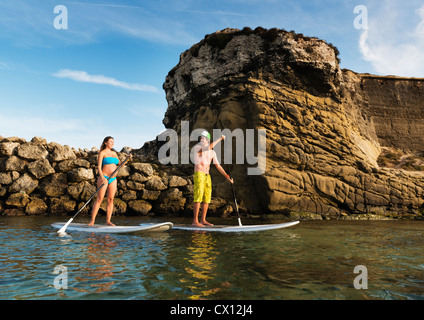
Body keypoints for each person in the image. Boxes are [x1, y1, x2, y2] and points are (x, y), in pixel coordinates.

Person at [192, 130, 234, 227]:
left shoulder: (212, 153)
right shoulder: (197, 148)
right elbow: (209, 147)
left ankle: (203, 220)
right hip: (199, 174)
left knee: (207, 198)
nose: (201, 139)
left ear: (207, 139)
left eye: (203, 138)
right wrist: (220, 138)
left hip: (207, 176)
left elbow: (218, 166)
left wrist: (227, 177)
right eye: (200, 138)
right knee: (198, 196)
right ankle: (195, 221)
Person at [88, 136, 131, 226]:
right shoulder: (102, 153)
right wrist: (102, 177)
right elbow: (99, 167)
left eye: (113, 142)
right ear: (105, 143)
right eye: (110, 141)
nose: (112, 143)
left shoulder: (114, 153)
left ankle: (108, 221)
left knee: (110, 199)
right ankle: (92, 221)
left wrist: (127, 159)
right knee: (99, 199)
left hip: (113, 179)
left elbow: (121, 165)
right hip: (104, 177)